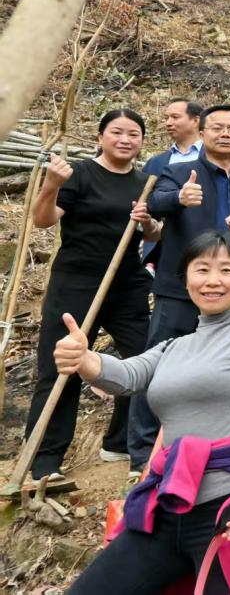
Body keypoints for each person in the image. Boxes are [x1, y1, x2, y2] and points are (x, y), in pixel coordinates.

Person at [62, 231, 230, 595]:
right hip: (167, 505)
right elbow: (127, 375)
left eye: (227, 270)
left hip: (226, 507)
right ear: (186, 279)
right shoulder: (173, 347)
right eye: (202, 269)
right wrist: (84, 359)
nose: (213, 280)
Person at [134, 105, 230, 463]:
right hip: (182, 287)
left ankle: (202, 435)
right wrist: (179, 199)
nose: (225, 134)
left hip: (226, 291)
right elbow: (155, 202)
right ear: (202, 132)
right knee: (159, 361)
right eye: (217, 127)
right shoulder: (180, 171)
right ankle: (141, 451)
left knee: (218, 364)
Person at [24, 110, 159, 480]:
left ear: (142, 141)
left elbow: (153, 235)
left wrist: (148, 223)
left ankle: (118, 443)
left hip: (128, 284)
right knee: (60, 369)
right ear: (101, 136)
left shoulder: (145, 182)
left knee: (144, 361)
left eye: (134, 134)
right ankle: (44, 462)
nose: (125, 139)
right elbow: (43, 219)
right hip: (77, 283)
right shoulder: (80, 174)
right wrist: (51, 184)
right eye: (116, 132)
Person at [141, 98, 203, 268]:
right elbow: (145, 201)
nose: (168, 123)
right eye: (167, 118)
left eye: (175, 117)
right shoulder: (156, 163)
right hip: (162, 244)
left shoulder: (214, 158)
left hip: (204, 241)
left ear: (196, 120)